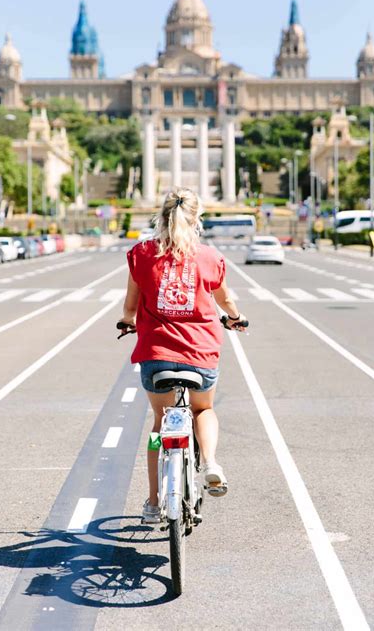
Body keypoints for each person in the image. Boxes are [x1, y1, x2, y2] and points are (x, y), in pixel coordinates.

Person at [117, 188, 248, 523]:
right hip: (201, 354)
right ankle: (211, 463)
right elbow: (226, 302)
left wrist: (128, 322)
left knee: (161, 425)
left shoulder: (142, 254)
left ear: (161, 217)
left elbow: (130, 307)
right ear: (197, 219)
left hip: (156, 355)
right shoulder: (208, 258)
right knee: (203, 408)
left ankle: (151, 502)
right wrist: (236, 318)